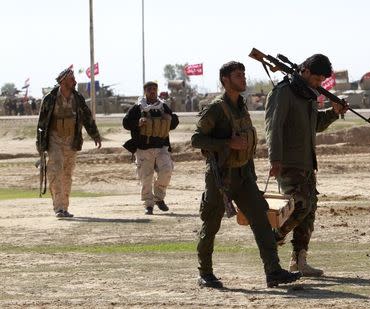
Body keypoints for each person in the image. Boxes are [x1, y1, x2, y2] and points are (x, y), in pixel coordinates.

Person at [191, 61, 301, 289]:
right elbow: (196, 139)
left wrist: (252, 173)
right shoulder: (215, 109)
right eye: (238, 75)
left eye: (244, 74)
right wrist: (227, 143)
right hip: (220, 178)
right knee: (211, 224)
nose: (243, 78)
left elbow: (246, 143)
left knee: (261, 219)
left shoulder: (241, 106)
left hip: (243, 176)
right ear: (225, 80)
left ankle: (273, 271)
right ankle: (205, 273)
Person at [265, 54, 348, 276]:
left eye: (322, 81)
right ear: (306, 72)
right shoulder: (284, 92)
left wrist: (333, 112)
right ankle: (271, 239)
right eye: (317, 79)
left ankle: (299, 260)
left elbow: (314, 125)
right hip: (288, 162)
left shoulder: (308, 95)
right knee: (300, 205)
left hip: (307, 163)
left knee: (309, 210)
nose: (319, 84)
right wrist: (275, 159)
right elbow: (273, 127)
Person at [36, 67, 101, 218]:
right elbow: (41, 124)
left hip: (72, 140)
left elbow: (87, 117)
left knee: (67, 174)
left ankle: (64, 207)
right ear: (63, 81)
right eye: (71, 79)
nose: (75, 81)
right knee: (56, 169)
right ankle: (58, 207)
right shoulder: (50, 98)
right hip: (54, 139)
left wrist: (95, 134)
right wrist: (40, 146)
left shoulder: (77, 98)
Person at [123, 81, 179, 215]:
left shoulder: (163, 107)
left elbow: (174, 122)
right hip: (143, 148)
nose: (152, 91)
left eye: (154, 89)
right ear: (145, 91)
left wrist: (170, 118)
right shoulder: (138, 108)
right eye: (149, 89)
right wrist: (138, 122)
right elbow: (126, 123)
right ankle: (149, 204)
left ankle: (159, 198)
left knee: (166, 170)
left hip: (161, 147)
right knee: (146, 178)